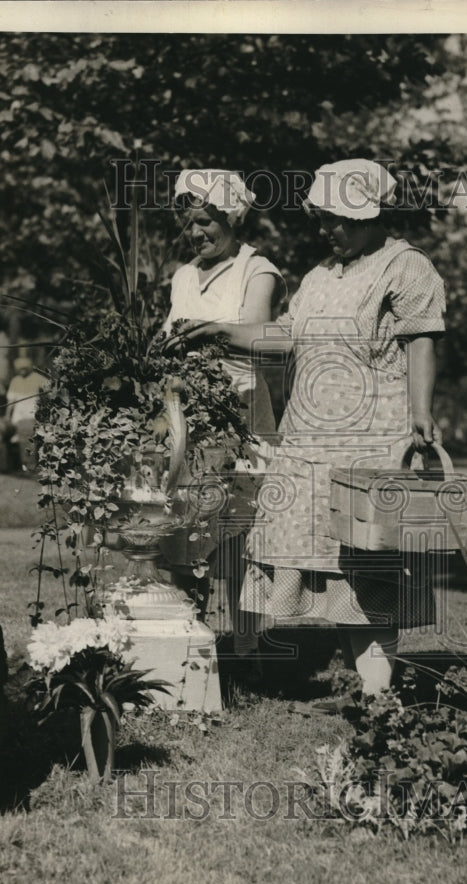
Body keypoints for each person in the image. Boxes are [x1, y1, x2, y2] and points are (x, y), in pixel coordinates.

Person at [168, 159, 446, 695]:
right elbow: (283, 338)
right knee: (330, 565)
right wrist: (218, 331)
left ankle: (378, 695)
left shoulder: (406, 267)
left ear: (369, 213)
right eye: (322, 219)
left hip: (371, 436)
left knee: (367, 568)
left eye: (337, 219)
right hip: (309, 438)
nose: (327, 230)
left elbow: (422, 340)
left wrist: (420, 414)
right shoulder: (321, 275)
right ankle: (370, 691)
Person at [162, 169, 286, 665]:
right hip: (184, 421)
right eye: (189, 224)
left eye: (206, 222)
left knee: (239, 540)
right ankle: (189, 642)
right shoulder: (184, 276)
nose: (197, 234)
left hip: (242, 420)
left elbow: (261, 337)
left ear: (232, 216)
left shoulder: (258, 271)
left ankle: (248, 647)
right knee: (185, 534)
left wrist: (207, 331)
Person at [6, 355, 48, 471]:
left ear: (29, 368)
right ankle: (27, 465)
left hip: (32, 415)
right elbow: (11, 401)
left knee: (29, 441)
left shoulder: (37, 377)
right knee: (24, 442)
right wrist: (7, 415)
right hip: (19, 417)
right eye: (20, 368)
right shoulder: (16, 380)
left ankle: (29, 465)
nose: (22, 370)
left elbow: (50, 387)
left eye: (25, 368)